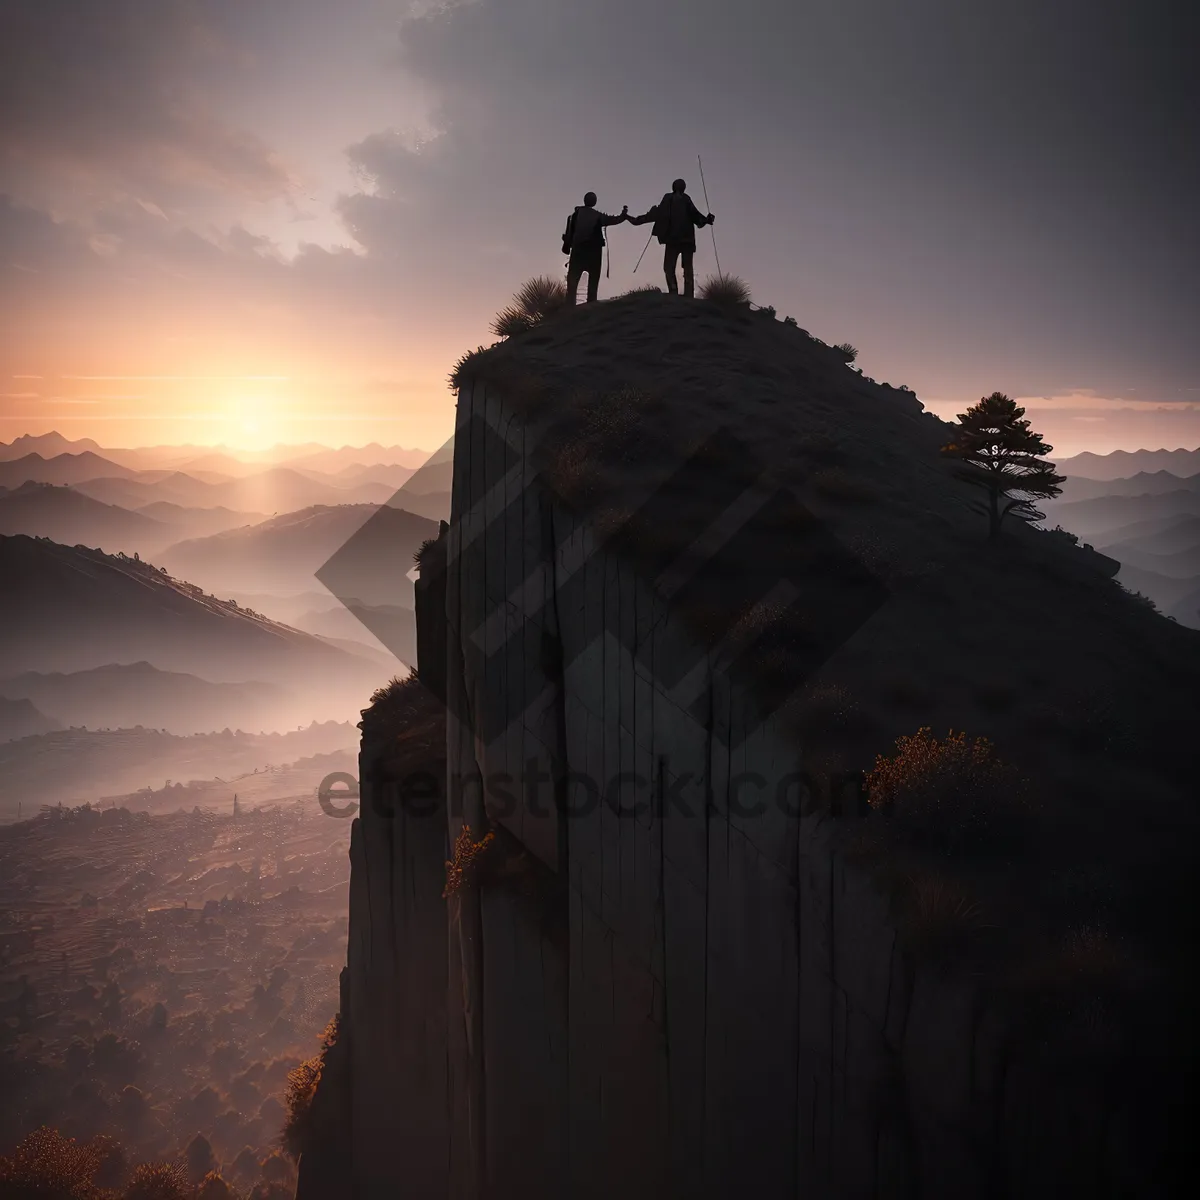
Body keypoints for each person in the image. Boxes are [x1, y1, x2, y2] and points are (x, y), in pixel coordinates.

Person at [629, 178, 715, 297]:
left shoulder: (683, 199)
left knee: (682, 268)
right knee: (673, 267)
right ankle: (677, 292)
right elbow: (658, 213)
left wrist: (706, 220)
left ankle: (684, 293)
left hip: (681, 240)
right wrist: (636, 220)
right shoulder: (671, 199)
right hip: (677, 240)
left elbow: (695, 215)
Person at [563, 192, 629, 304]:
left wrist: (567, 246)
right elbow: (614, 220)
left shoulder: (574, 216)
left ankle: (570, 308)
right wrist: (624, 215)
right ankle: (591, 304)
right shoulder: (597, 216)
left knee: (572, 284)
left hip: (577, 252)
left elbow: (569, 235)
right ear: (594, 202)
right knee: (593, 281)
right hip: (593, 253)